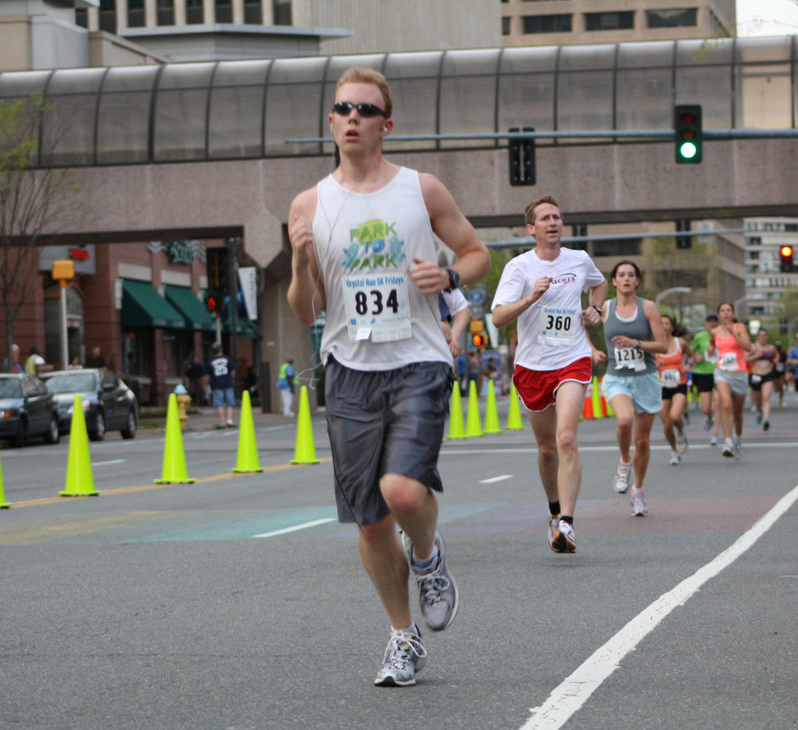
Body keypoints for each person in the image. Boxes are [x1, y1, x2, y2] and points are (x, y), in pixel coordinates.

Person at [286, 66, 490, 687]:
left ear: (385, 124)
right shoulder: (309, 205)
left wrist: (450, 278)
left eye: (366, 110)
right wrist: (298, 263)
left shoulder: (420, 190)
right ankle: (403, 637)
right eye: (343, 107)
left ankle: (427, 557)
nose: (353, 117)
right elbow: (307, 310)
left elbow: (478, 253)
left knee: (403, 491)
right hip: (348, 369)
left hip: (419, 360)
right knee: (372, 519)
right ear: (331, 122)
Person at [491, 195, 607, 551]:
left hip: (571, 358)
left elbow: (599, 284)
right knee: (546, 450)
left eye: (557, 217)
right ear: (532, 229)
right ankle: (554, 512)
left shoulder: (579, 259)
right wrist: (530, 299)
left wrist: (596, 309)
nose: (553, 223)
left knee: (566, 438)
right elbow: (497, 317)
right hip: (532, 365)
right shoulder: (519, 268)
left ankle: (568, 524)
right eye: (545, 219)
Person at [599, 261, 666, 517]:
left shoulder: (647, 307)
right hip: (616, 377)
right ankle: (624, 461)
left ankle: (638, 491)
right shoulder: (605, 308)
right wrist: (593, 350)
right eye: (621, 275)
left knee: (643, 440)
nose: (626, 279)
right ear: (614, 281)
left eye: (631, 275)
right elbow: (579, 326)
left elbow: (663, 345)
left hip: (645, 376)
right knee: (624, 422)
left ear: (637, 281)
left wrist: (635, 343)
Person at [711, 302, 753, 458]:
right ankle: (727, 442)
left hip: (739, 374)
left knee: (737, 413)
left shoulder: (739, 327)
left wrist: (733, 334)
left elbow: (748, 347)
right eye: (722, 311)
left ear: (733, 313)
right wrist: (710, 348)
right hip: (722, 372)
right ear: (719, 314)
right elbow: (713, 345)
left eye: (728, 310)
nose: (726, 313)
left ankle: (738, 437)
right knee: (726, 405)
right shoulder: (715, 331)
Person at [656, 314, 692, 465]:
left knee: (675, 416)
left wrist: (688, 366)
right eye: (660, 323)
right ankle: (674, 451)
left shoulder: (680, 342)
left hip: (679, 385)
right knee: (667, 424)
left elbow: (692, 356)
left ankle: (681, 434)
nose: (663, 326)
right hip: (662, 387)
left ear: (671, 327)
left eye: (666, 323)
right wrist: (655, 366)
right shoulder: (654, 345)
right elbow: (647, 364)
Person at [688, 314, 720, 436]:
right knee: (706, 408)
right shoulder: (699, 336)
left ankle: (715, 435)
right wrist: (695, 357)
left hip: (719, 372)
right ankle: (708, 416)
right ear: (706, 323)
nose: (712, 323)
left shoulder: (722, 335)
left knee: (717, 403)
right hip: (703, 373)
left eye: (714, 321)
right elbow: (690, 352)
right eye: (709, 321)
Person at [746, 328, 778, 431]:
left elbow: (776, 355)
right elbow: (745, 359)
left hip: (768, 374)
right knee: (758, 401)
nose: (763, 337)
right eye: (761, 335)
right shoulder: (753, 347)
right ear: (757, 337)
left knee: (766, 398)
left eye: (764, 335)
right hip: (756, 374)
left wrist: (775, 360)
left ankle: (766, 420)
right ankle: (759, 411)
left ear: (767, 337)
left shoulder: (771, 348)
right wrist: (756, 356)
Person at [207, 342, 236, 428]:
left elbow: (207, 374)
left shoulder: (211, 361)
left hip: (217, 384)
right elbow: (233, 371)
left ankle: (222, 422)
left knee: (219, 403)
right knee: (230, 403)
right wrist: (232, 379)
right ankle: (229, 420)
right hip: (228, 383)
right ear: (221, 349)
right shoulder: (227, 359)